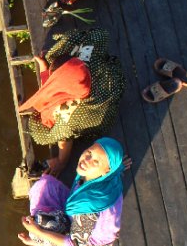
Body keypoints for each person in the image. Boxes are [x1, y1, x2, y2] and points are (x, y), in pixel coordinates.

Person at [18, 28, 125, 176]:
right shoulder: (82, 68)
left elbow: (64, 138)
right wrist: (45, 68)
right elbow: (101, 33)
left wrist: (62, 162)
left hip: (94, 119)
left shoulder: (66, 115)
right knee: (53, 58)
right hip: (107, 81)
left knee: (40, 135)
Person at [18, 137, 126, 246]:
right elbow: (114, 167)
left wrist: (38, 232)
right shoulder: (110, 177)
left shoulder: (89, 208)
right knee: (46, 184)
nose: (86, 160)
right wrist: (119, 166)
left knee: (38, 224)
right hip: (77, 214)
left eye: (95, 161)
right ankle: (44, 234)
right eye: (89, 152)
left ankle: (42, 245)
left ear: (107, 171)